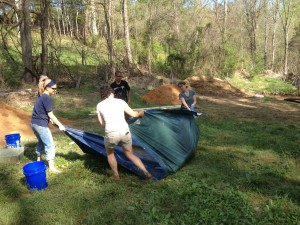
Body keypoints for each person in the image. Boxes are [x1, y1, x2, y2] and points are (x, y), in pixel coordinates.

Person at [96, 85, 152, 181]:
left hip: (111, 133)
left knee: (110, 154)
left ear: (102, 95)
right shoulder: (120, 102)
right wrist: (140, 113)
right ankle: (146, 172)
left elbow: (102, 125)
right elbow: (134, 114)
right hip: (124, 131)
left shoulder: (99, 105)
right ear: (111, 93)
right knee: (130, 154)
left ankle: (116, 175)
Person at [31, 75, 66, 173]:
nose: (55, 91)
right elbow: (50, 114)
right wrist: (60, 125)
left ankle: (38, 160)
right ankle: (51, 167)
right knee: (50, 144)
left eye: (56, 89)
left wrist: (48, 118)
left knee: (41, 142)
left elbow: (40, 111)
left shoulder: (41, 96)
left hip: (34, 123)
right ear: (47, 88)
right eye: (54, 89)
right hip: (41, 125)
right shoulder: (47, 98)